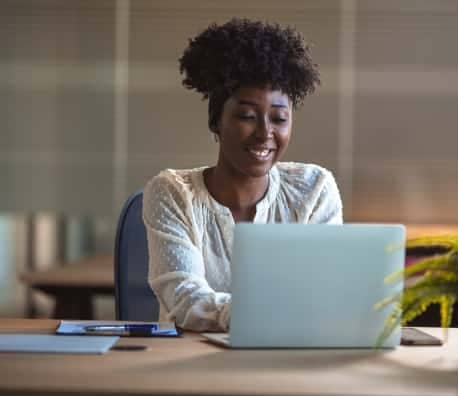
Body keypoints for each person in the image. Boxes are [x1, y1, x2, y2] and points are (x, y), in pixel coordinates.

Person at [143, 18, 343, 332]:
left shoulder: (314, 189)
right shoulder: (172, 192)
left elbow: (326, 294)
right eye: (247, 116)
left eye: (279, 118)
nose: (265, 133)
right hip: (187, 365)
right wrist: (263, 316)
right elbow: (184, 299)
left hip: (288, 361)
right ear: (216, 121)